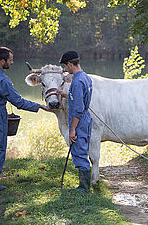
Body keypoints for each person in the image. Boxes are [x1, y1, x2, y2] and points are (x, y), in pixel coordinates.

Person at [0, 47, 51, 193]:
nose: (12, 62)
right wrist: (38, 106)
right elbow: (18, 102)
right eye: (10, 60)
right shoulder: (2, 79)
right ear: (2, 61)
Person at [58, 51, 93, 192]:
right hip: (86, 118)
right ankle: (84, 185)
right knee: (83, 150)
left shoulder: (77, 81)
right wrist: (65, 94)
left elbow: (78, 109)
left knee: (79, 153)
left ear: (70, 64)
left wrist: (72, 130)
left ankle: (83, 188)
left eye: (66, 66)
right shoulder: (85, 77)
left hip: (79, 121)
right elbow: (80, 97)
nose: (66, 70)